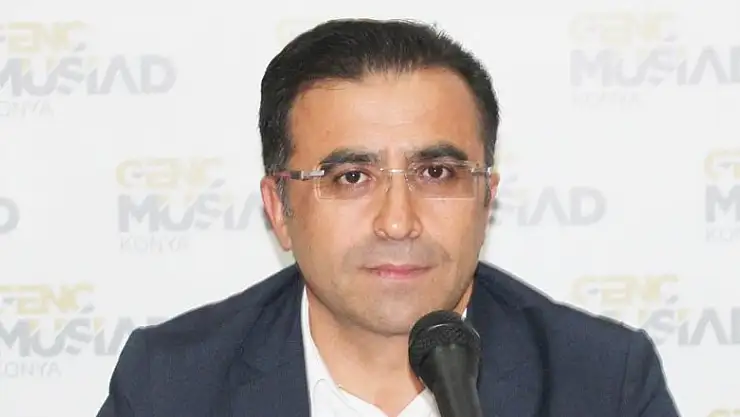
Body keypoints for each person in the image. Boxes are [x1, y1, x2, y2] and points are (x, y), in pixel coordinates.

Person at [96, 18, 680, 417]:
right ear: (279, 208)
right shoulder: (170, 385)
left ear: (487, 199)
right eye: (351, 178)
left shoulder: (603, 383)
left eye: (437, 173)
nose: (398, 223)